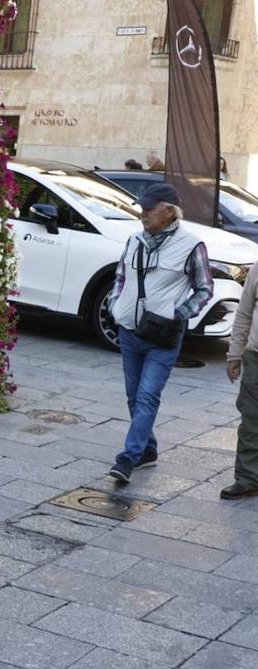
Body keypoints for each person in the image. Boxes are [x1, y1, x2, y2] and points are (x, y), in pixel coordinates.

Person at [106, 183, 212, 483]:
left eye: (149, 209)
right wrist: (116, 305)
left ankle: (128, 459)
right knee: (133, 396)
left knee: (148, 396)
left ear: (169, 211)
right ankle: (148, 449)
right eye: (142, 208)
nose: (143, 214)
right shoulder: (134, 240)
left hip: (162, 336)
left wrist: (179, 315)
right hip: (129, 330)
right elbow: (120, 276)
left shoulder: (192, 245)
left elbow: (205, 289)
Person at [223, 260, 258, 499]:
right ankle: (248, 478)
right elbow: (244, 312)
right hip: (256, 356)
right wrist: (234, 353)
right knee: (251, 417)